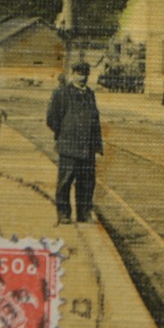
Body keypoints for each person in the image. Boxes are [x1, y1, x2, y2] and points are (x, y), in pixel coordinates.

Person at [47, 61, 103, 223]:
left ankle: (84, 214)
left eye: (85, 74)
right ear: (73, 75)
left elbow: (95, 120)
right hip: (69, 146)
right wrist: (65, 134)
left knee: (86, 182)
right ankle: (64, 214)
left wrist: (97, 145)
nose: (82, 77)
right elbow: (52, 118)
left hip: (88, 148)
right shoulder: (62, 93)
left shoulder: (90, 94)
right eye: (79, 74)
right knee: (65, 181)